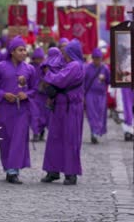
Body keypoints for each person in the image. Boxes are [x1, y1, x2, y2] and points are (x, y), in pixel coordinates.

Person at [0, 36, 35, 184]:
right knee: (6, 139)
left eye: (25, 50)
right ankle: (8, 168)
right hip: (4, 110)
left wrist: (25, 95)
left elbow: (35, 89)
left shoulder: (29, 69)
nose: (23, 52)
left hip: (21, 111)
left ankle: (13, 171)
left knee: (19, 140)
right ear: (12, 51)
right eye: (20, 50)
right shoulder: (0, 67)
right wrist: (3, 94)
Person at [41, 40, 85, 186]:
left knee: (70, 139)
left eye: (66, 51)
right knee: (54, 138)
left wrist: (48, 74)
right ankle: (53, 171)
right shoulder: (69, 64)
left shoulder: (75, 65)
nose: (63, 53)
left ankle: (71, 173)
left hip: (70, 108)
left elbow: (59, 80)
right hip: (60, 107)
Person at [84, 48, 110, 144]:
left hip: (101, 95)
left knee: (100, 114)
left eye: (99, 58)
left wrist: (105, 79)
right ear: (93, 58)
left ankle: (97, 131)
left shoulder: (105, 68)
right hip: (90, 94)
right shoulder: (87, 68)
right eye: (95, 58)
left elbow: (110, 80)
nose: (97, 60)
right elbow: (83, 82)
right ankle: (93, 133)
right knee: (92, 114)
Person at [30, 47, 48, 142]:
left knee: (43, 115)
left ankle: (41, 131)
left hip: (43, 96)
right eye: (37, 58)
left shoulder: (46, 67)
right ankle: (35, 132)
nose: (39, 60)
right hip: (34, 95)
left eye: (40, 58)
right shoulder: (30, 67)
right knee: (34, 114)